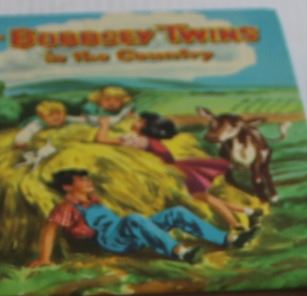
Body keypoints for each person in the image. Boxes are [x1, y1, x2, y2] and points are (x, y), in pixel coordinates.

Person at [28, 168, 252, 267]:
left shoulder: (93, 200)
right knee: (134, 219)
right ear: (67, 187)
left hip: (126, 232)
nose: (88, 182)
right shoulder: (66, 207)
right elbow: (49, 229)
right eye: (82, 179)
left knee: (177, 212)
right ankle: (179, 252)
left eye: (87, 178)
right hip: (110, 241)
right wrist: (44, 258)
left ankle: (226, 239)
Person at [95, 112, 258, 232]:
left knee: (206, 198)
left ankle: (236, 225)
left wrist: (104, 124)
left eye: (139, 121)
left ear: (145, 126)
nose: (135, 121)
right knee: (204, 198)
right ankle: (248, 212)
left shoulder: (136, 140)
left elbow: (101, 140)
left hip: (176, 174)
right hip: (178, 170)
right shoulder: (146, 139)